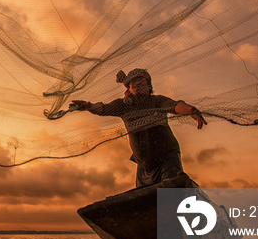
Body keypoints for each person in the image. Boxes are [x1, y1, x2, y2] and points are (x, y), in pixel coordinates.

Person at [69, 68, 206, 188]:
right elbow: (103, 109)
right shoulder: (123, 106)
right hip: (143, 166)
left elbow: (175, 105)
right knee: (147, 202)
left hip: (167, 160)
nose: (137, 84)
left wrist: (190, 109)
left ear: (149, 86)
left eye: (142, 82)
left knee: (172, 193)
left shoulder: (157, 101)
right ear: (128, 88)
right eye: (133, 83)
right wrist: (87, 106)